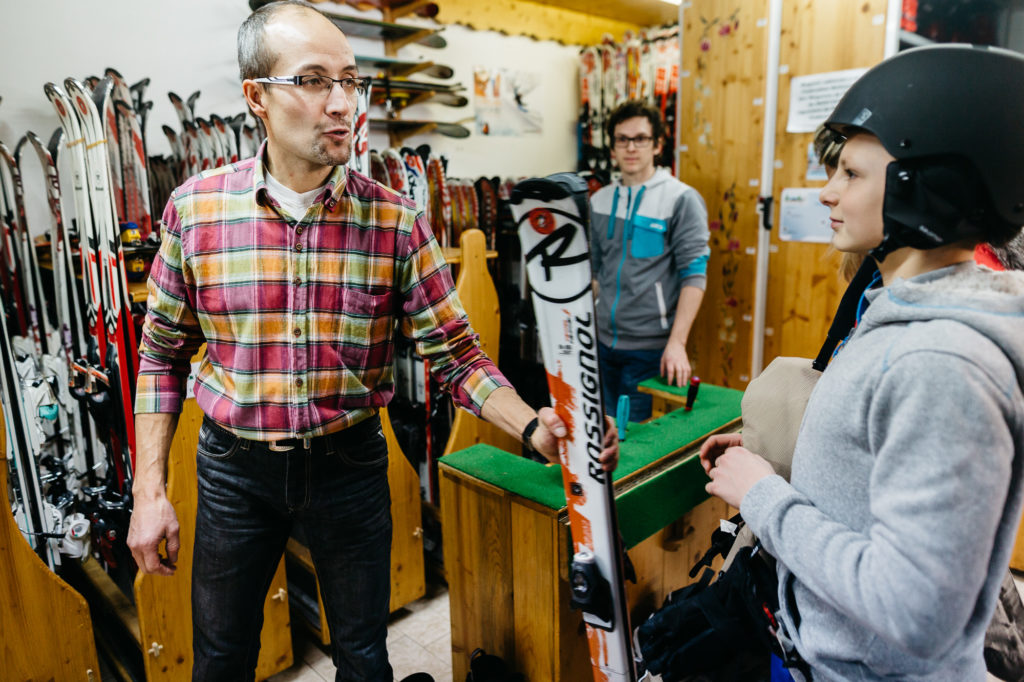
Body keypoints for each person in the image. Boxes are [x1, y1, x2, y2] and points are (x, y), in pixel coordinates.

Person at [125, 3, 618, 680]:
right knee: (220, 659)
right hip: (235, 473)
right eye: (315, 80)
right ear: (257, 99)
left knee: (363, 656)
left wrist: (535, 427)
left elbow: (458, 358)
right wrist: (149, 493)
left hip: (350, 467)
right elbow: (160, 356)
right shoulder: (197, 210)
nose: (342, 103)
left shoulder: (394, 221)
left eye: (351, 82)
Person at [700, 45, 1024, 680]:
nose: (827, 192)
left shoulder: (941, 361)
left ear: (923, 189)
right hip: (822, 651)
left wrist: (761, 495)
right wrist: (794, 452)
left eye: (850, 173)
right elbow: (879, 457)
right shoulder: (896, 310)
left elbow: (916, 613)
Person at [589, 100, 710, 422]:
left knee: (635, 446)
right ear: (612, 146)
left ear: (657, 144)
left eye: (640, 138)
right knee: (602, 435)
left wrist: (677, 343)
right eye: (622, 139)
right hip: (600, 345)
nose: (631, 147)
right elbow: (596, 273)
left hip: (649, 350)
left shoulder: (680, 199)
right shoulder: (599, 201)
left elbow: (694, 276)